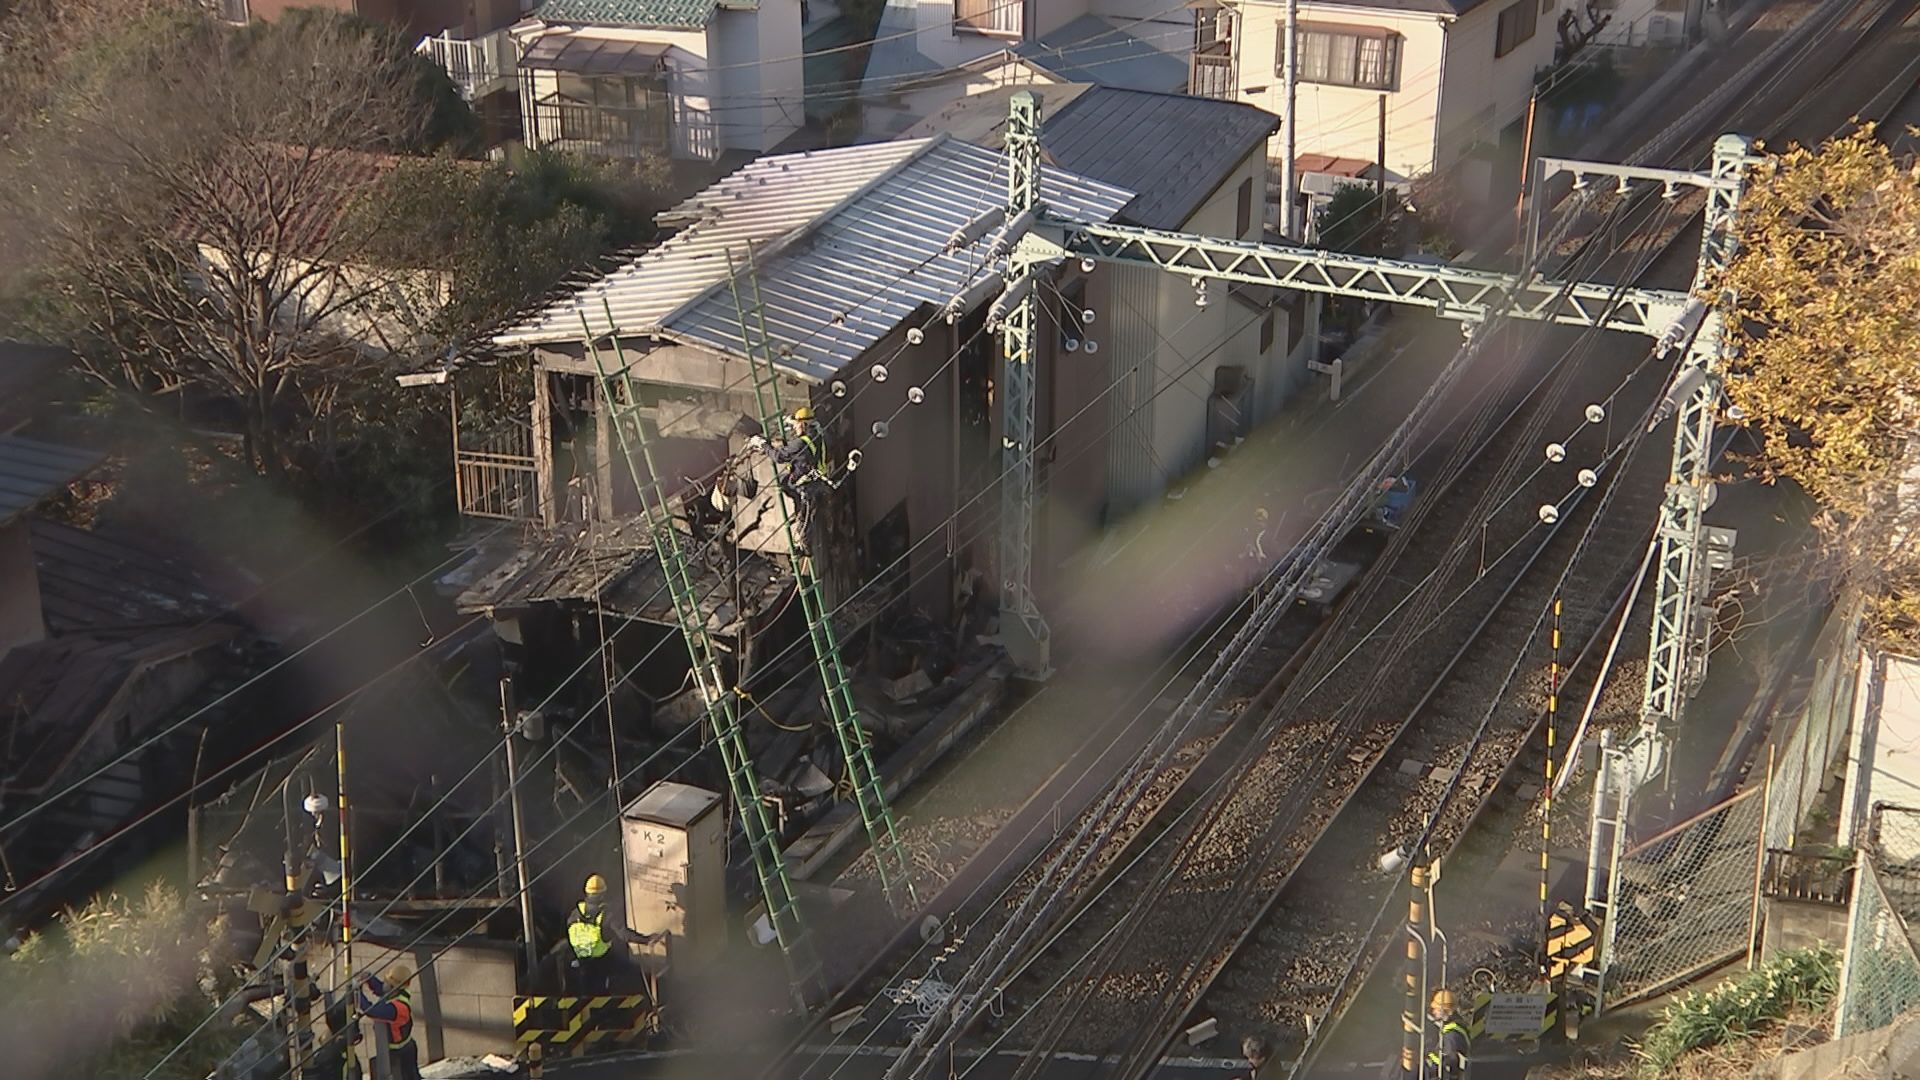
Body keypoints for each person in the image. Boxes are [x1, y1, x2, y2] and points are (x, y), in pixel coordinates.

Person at [749, 406, 832, 554]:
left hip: (806, 485)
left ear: (803, 424)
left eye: (796, 425)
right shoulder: (818, 435)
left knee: (803, 516)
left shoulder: (800, 443)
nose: (795, 428)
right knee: (783, 481)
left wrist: (763, 445)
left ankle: (804, 548)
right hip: (816, 480)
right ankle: (799, 515)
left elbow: (778, 456)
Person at [354, 963, 420, 1080]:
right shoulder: (399, 992)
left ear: (394, 986)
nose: (385, 984)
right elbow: (382, 989)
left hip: (399, 1052)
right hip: (407, 1046)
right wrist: (369, 978)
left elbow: (371, 1011)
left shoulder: (396, 1009)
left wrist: (357, 993)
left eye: (388, 983)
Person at [568, 873, 619, 993]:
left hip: (580, 960)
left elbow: (569, 930)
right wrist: (646, 939)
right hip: (600, 962)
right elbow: (623, 934)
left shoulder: (575, 914)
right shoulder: (606, 914)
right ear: (602, 894)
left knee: (584, 991)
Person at [1426, 989, 1471, 1080]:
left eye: (1436, 1009)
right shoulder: (1456, 1025)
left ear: (1445, 1010)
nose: (1433, 1012)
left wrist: (1427, 1054)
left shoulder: (1452, 1034)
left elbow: (1446, 1061)